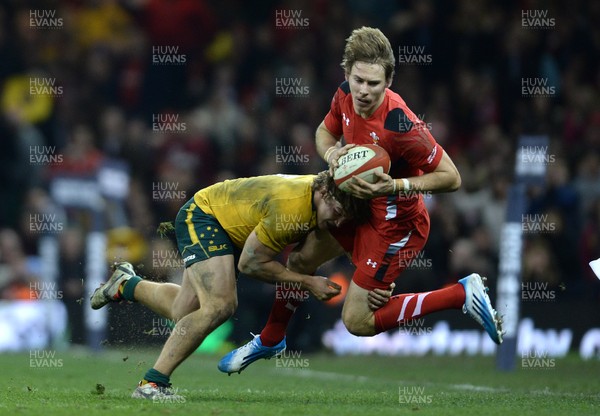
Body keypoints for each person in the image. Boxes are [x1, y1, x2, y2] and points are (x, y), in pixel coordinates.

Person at [218, 26, 503, 375]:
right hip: (357, 207)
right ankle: (271, 338)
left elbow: (452, 178)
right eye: (358, 80)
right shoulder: (342, 95)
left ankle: (460, 294)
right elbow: (324, 132)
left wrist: (394, 186)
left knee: (357, 321)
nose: (364, 91)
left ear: (388, 81)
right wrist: (332, 156)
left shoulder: (401, 124)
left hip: (396, 224)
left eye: (374, 83)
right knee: (301, 259)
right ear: (346, 74)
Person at [90, 171, 371, 400]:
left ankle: (125, 284)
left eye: (344, 215)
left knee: (182, 310)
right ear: (323, 193)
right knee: (220, 305)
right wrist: (307, 281)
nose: (339, 219)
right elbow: (250, 265)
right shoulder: (292, 207)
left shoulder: (317, 199)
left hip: (229, 227)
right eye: (337, 210)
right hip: (204, 217)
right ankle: (151, 384)